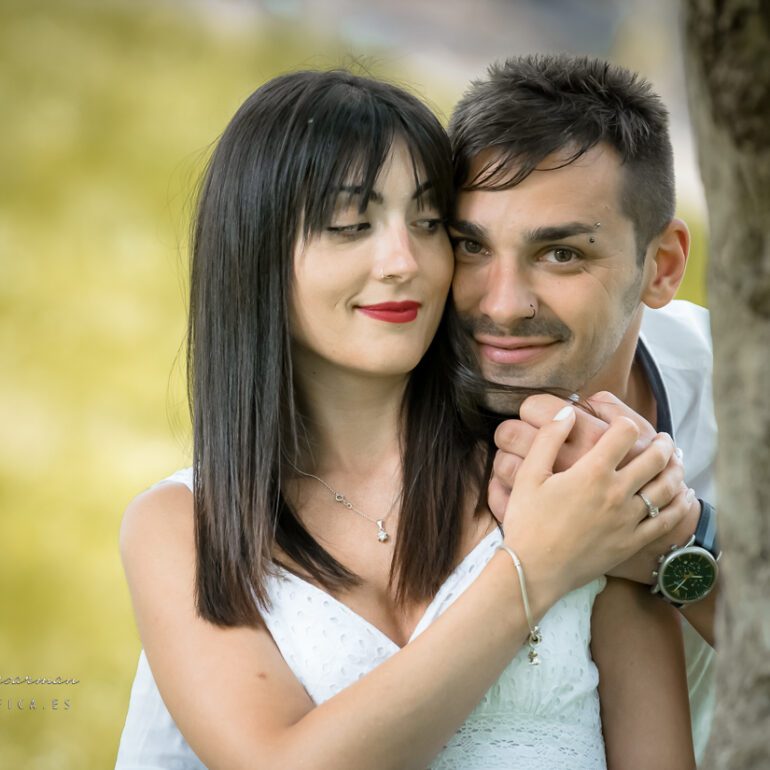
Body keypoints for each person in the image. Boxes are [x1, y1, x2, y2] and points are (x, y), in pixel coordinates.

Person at [114, 69, 694, 769]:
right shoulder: (181, 526)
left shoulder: (566, 470)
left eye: (427, 224)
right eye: (351, 225)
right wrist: (533, 572)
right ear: (256, 256)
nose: (403, 261)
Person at [446, 54, 718, 763]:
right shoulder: (371, 422)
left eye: (562, 253)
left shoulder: (741, 395)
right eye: (470, 245)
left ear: (660, 266)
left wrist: (676, 546)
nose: (501, 305)